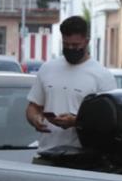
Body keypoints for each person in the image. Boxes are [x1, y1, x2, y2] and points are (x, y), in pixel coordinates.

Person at [25, 15, 117, 154]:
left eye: (75, 45)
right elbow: (33, 107)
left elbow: (110, 121)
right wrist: (35, 119)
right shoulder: (47, 68)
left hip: (83, 158)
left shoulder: (102, 76)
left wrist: (76, 122)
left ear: (86, 41)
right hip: (46, 153)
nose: (70, 49)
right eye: (66, 45)